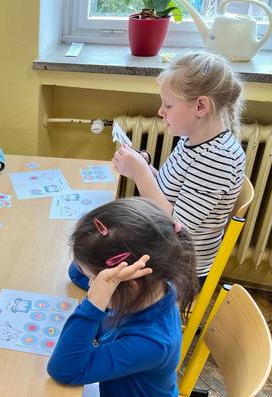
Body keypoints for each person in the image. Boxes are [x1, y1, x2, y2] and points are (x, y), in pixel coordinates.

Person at [9, 198, 199, 397]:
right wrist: (96, 269)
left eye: (94, 280)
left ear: (124, 282)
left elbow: (64, 369)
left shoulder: (150, 342)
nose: (89, 282)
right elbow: (76, 272)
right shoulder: (149, 286)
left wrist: (95, 299)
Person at [70, 52, 245, 291]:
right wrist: (144, 167)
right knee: (83, 261)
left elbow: (177, 228)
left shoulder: (217, 158)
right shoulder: (193, 139)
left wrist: (141, 174)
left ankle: (127, 311)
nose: (161, 111)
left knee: (83, 269)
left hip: (179, 270)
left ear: (200, 106)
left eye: (168, 105)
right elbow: (169, 191)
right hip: (164, 248)